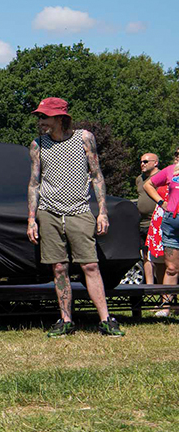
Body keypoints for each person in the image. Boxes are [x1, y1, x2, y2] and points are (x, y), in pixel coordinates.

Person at [26, 97, 124, 337]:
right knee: (59, 268)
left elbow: (96, 174)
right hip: (48, 211)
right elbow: (34, 183)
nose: (41, 121)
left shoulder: (84, 138)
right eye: (39, 117)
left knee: (90, 265)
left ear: (60, 118)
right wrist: (31, 218)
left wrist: (103, 211)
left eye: (45, 117)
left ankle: (106, 319)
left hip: (79, 210)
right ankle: (66, 320)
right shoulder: (37, 144)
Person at [143, 147, 179, 316]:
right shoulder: (170, 171)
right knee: (171, 268)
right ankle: (165, 307)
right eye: (177, 154)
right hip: (171, 223)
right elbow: (148, 184)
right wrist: (160, 203)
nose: (178, 157)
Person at [136, 153, 161, 284]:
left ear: (155, 163)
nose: (142, 164)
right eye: (141, 161)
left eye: (146, 161)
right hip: (143, 223)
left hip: (158, 222)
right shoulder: (139, 179)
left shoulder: (162, 177)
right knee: (146, 256)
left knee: (160, 256)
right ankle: (150, 287)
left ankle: (164, 288)